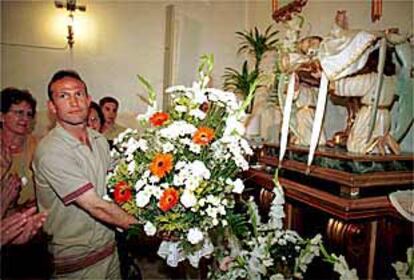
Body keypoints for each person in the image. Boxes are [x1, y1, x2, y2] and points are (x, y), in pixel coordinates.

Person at [33, 70, 138, 279]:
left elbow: (117, 184)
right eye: (64, 96)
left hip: (109, 253)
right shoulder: (51, 151)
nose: (74, 102)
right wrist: (145, 228)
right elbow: (95, 205)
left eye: (78, 94)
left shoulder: (99, 140)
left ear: (88, 100)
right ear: (52, 107)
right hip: (77, 264)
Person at [1, 88, 38, 211]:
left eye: (29, 114)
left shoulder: (39, 145)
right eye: (19, 113)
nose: (25, 119)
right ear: (2, 116)